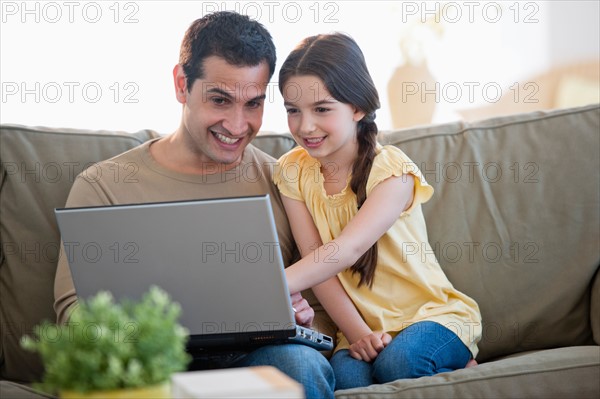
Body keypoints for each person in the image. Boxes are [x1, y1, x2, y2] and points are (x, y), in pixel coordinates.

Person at [53, 12, 335, 399]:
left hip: (254, 364)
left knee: (299, 364)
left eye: (253, 103)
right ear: (182, 85)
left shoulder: (287, 183)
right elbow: (73, 316)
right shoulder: (103, 186)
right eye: (220, 100)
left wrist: (305, 320)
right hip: (149, 366)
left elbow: (326, 310)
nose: (238, 125)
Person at [273, 32, 483, 390]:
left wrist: (269, 286)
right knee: (348, 380)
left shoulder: (392, 171)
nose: (305, 126)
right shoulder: (291, 170)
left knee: (398, 363)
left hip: (432, 317)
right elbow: (317, 266)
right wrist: (358, 334)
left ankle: (463, 361)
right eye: (293, 111)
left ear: (357, 107)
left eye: (322, 109)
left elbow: (347, 250)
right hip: (366, 325)